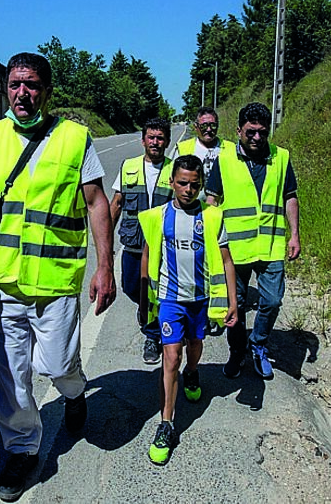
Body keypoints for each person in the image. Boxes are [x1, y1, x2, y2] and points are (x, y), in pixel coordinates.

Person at [0, 52, 116, 502]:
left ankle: (74, 392)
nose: (23, 93)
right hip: (2, 281)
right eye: (16, 84)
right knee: (9, 374)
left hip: (56, 282)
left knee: (58, 365)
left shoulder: (75, 138)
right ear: (7, 87)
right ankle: (22, 450)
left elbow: (97, 202)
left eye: (33, 85)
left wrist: (105, 265)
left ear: (48, 91)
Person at [138, 154, 238, 466]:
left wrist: (233, 301)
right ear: (171, 182)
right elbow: (147, 257)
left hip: (200, 299)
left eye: (194, 185)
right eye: (182, 183)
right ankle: (166, 424)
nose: (188, 189)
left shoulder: (211, 217)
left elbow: (225, 260)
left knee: (194, 347)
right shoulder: (157, 217)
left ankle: (192, 374)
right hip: (169, 299)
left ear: (201, 185)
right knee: (171, 357)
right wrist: (144, 300)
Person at [205, 102, 301, 380]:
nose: (257, 138)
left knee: (271, 301)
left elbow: (290, 196)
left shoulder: (280, 157)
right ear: (238, 130)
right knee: (235, 306)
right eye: (251, 132)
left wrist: (294, 234)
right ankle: (237, 352)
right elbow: (212, 201)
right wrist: (211, 243)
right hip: (234, 249)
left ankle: (258, 344)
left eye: (262, 132)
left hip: (270, 245)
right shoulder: (224, 160)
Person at [108, 118, 173, 365]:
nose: (155, 142)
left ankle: (152, 335)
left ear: (166, 141)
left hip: (164, 247)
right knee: (131, 287)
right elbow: (117, 203)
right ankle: (145, 308)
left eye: (160, 138)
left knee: (160, 292)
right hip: (134, 244)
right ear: (143, 140)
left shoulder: (174, 168)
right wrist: (106, 239)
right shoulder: (128, 167)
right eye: (151, 137)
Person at [173, 106, 227, 185]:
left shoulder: (231, 148)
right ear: (196, 127)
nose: (209, 129)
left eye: (213, 125)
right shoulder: (182, 148)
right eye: (204, 126)